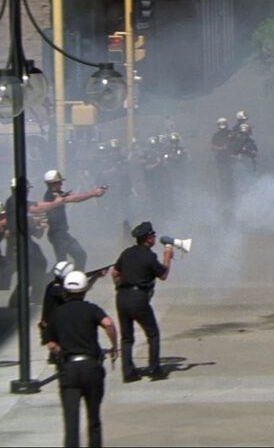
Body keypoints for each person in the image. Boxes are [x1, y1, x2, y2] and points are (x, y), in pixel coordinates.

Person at [45, 270, 118, 448]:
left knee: (71, 421)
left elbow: (51, 344)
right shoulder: (91, 309)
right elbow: (108, 323)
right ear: (85, 290)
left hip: (69, 369)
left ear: (65, 291)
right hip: (91, 367)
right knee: (93, 417)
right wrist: (114, 346)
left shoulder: (57, 313)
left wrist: (60, 351)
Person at [112, 221, 173, 382]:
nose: (155, 237)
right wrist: (168, 258)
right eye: (153, 235)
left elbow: (115, 272)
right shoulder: (149, 256)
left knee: (126, 337)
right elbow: (163, 275)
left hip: (122, 296)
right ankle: (154, 368)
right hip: (138, 298)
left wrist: (119, 287)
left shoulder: (126, 253)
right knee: (152, 334)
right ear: (147, 238)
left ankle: (128, 372)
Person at [43, 170, 106, 271]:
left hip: (62, 234)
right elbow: (75, 199)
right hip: (57, 235)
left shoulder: (57, 194)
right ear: (52, 184)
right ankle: (53, 282)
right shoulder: (52, 196)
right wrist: (94, 193)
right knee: (62, 264)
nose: (61, 184)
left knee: (80, 255)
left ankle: (75, 279)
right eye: (59, 182)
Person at [211, 117, 233, 200]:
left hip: (231, 157)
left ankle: (231, 188)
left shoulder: (231, 133)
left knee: (232, 173)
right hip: (221, 158)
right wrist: (221, 148)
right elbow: (213, 146)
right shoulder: (216, 135)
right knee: (222, 175)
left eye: (223, 124)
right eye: (221, 124)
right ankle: (223, 189)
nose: (222, 126)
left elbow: (235, 142)